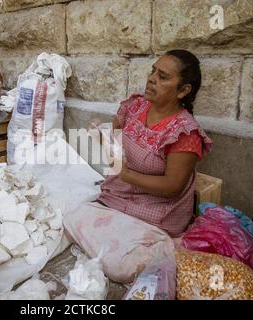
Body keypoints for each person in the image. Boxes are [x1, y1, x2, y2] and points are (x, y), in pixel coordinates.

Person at [64, 50, 213, 283]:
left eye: (163, 76)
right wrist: (101, 133)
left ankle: (136, 244)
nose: (152, 78)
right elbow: (113, 138)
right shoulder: (135, 106)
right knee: (71, 215)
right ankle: (117, 239)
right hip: (120, 197)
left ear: (183, 90)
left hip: (158, 211)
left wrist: (126, 174)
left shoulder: (185, 132)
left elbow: (172, 186)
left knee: (126, 266)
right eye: (153, 71)